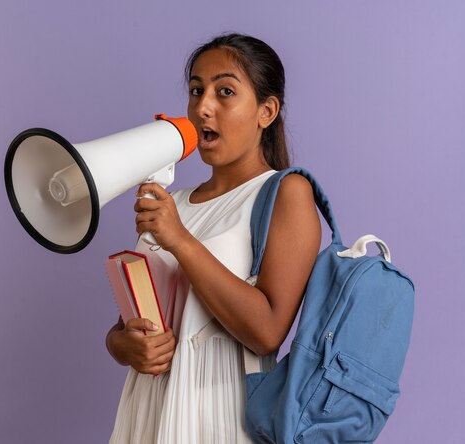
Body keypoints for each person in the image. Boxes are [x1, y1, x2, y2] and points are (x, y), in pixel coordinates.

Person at [106, 33, 321, 443]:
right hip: (147, 412)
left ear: (266, 111)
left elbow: (268, 331)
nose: (203, 107)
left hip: (218, 417)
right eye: (196, 90)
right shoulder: (176, 203)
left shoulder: (286, 193)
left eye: (225, 92)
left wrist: (179, 240)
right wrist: (122, 345)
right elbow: (132, 322)